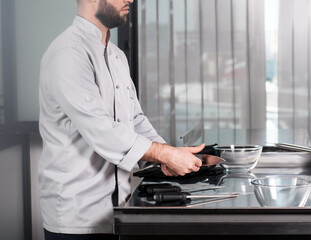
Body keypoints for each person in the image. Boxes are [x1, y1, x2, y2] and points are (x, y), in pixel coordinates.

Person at [38, 0, 204, 239]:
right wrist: (166, 155)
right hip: (78, 217)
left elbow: (134, 119)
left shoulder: (116, 56)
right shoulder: (68, 53)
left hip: (117, 209)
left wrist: (168, 154)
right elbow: (102, 131)